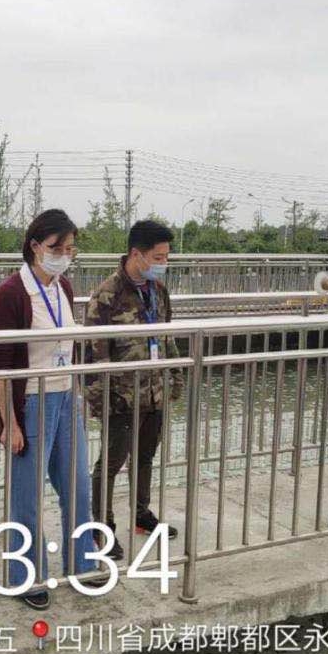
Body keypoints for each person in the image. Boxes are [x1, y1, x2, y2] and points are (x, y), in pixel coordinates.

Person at [0, 209, 99, 610]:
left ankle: (82, 563)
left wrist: (77, 398)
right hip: (31, 400)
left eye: (70, 249)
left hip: (65, 396)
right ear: (35, 246)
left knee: (78, 487)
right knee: (27, 497)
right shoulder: (11, 294)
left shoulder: (62, 287)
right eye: (56, 248)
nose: (63, 256)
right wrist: (10, 421)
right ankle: (26, 576)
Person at [84, 220, 184, 559]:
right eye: (158, 257)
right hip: (122, 399)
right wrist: (102, 403)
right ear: (136, 254)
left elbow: (166, 338)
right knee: (111, 463)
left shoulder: (158, 291)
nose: (163, 263)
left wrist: (175, 379)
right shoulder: (107, 295)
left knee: (145, 456)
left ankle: (141, 514)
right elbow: (94, 356)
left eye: (167, 257)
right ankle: (102, 527)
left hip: (155, 392)